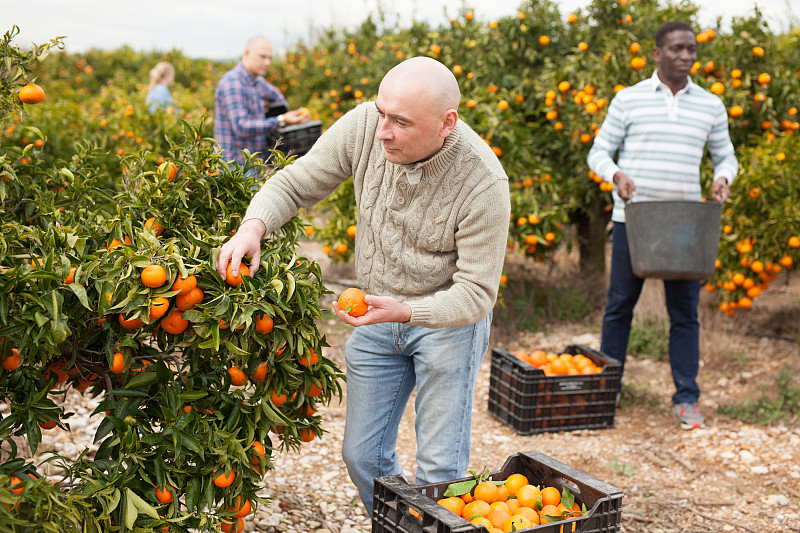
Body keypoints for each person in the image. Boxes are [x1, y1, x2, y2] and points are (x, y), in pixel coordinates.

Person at [215, 56, 510, 514]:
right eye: (381, 112)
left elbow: (476, 293)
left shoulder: (482, 182)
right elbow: (296, 183)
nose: (382, 131)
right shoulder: (364, 127)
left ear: (446, 123)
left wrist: (409, 311)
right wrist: (254, 226)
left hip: (448, 325)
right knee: (362, 455)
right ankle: (397, 524)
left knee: (441, 472)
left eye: (400, 122)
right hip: (374, 312)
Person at [587, 20, 738, 430]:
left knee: (685, 314)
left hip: (685, 227)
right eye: (676, 49)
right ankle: (608, 389)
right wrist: (616, 175)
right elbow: (598, 152)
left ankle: (686, 398)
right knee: (619, 307)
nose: (686, 56)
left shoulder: (710, 105)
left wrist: (723, 177)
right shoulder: (629, 99)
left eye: (691, 49)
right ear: (657, 53)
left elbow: (726, 156)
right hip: (634, 221)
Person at [213, 35, 309, 167]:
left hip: (254, 163)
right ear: (247, 53)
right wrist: (281, 120)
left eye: (270, 58)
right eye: (263, 57)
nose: (267, 62)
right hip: (234, 167)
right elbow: (241, 126)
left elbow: (277, 96)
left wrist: (294, 116)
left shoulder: (257, 81)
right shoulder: (233, 82)